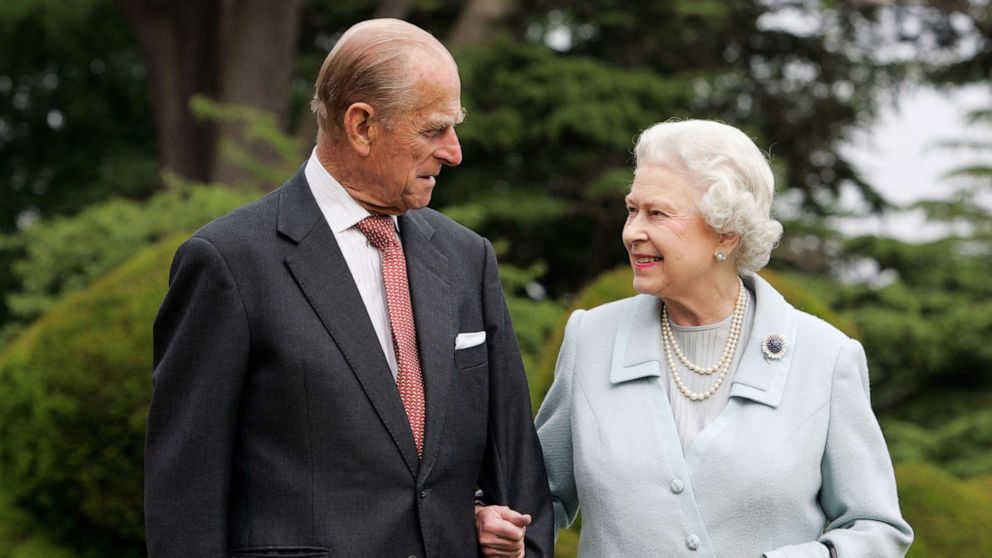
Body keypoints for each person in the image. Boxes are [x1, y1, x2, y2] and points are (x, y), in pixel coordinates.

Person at [145, 18, 553, 557]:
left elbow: (517, 471)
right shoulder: (228, 262)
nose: (454, 151)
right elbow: (185, 501)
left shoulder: (466, 258)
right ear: (361, 126)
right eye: (434, 130)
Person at [479, 119, 913, 557]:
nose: (632, 232)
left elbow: (876, 529)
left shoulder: (825, 357)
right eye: (632, 209)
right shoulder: (591, 339)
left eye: (658, 214)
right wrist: (499, 527)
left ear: (726, 231)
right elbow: (534, 500)